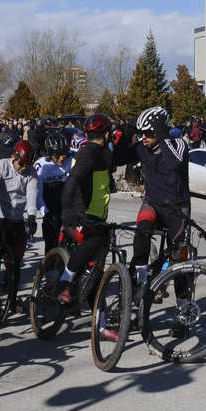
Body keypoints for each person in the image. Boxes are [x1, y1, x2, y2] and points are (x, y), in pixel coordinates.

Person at [119, 107, 192, 340]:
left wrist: (161, 137)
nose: (143, 138)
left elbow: (172, 163)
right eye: (141, 134)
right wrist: (128, 129)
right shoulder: (142, 146)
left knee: (180, 261)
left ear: (160, 131)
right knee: (141, 233)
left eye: (148, 133)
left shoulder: (178, 144)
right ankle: (137, 293)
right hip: (153, 203)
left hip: (177, 208)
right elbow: (118, 157)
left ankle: (183, 314)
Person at [57, 114, 131, 304]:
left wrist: (130, 134)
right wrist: (67, 210)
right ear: (106, 134)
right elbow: (73, 180)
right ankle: (64, 282)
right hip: (81, 215)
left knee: (97, 270)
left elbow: (122, 157)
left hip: (97, 216)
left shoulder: (103, 152)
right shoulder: (88, 153)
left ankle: (100, 324)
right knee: (93, 243)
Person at [0, 139, 40, 283]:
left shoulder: (32, 173)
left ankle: (11, 279)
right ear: (14, 157)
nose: (23, 168)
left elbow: (32, 195)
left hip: (16, 217)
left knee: (16, 256)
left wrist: (32, 215)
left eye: (27, 165)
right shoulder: (1, 166)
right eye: (21, 164)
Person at [34, 134, 72, 254]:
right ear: (50, 154)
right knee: (51, 239)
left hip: (66, 202)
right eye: (57, 155)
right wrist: (43, 210)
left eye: (64, 155)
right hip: (49, 203)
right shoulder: (42, 165)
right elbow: (37, 191)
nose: (62, 158)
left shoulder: (71, 160)